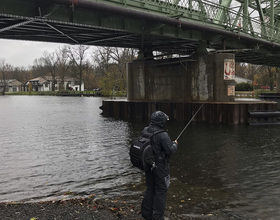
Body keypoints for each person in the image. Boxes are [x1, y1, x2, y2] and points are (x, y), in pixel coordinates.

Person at [141, 111, 178, 220]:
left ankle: (146, 214)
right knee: (161, 192)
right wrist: (175, 144)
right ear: (161, 121)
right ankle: (158, 217)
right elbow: (170, 151)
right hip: (160, 167)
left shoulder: (145, 130)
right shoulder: (163, 134)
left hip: (148, 166)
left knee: (150, 189)